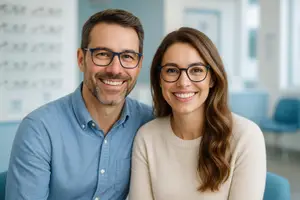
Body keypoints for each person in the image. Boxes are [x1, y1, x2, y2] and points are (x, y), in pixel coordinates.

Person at [6, 9, 154, 200]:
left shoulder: (149, 123)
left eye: (127, 57)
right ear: (81, 59)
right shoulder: (39, 129)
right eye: (102, 54)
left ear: (139, 64)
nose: (115, 69)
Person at [129, 27, 266, 200]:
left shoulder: (246, 136)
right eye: (171, 70)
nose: (183, 82)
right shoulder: (147, 136)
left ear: (212, 78)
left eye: (196, 70)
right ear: (159, 79)